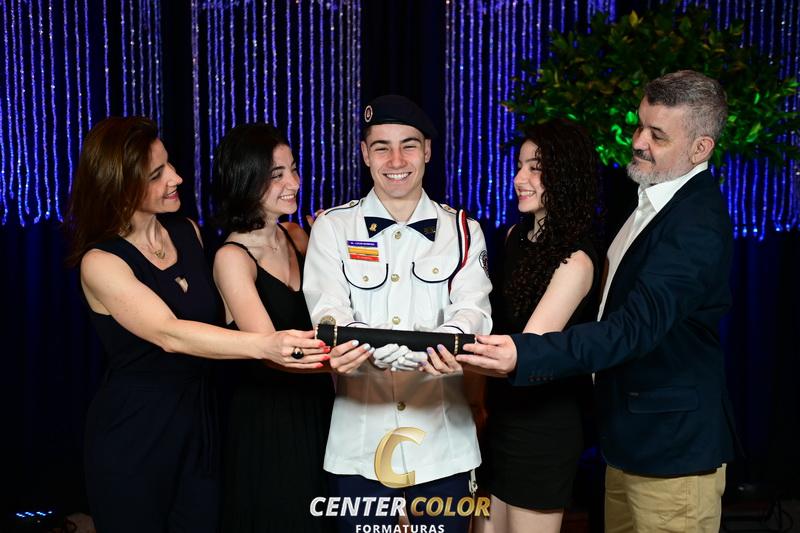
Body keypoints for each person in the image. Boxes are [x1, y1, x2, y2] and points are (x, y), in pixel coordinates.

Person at [459, 70, 737, 532]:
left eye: (657, 135)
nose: (638, 142)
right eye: (640, 126)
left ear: (700, 148)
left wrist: (524, 353)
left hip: (671, 450)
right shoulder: (648, 200)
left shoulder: (695, 222)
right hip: (627, 442)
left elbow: (633, 330)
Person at [65, 116, 330, 533]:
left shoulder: (187, 231)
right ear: (122, 186)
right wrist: (264, 345)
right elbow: (169, 333)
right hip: (137, 431)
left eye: (169, 164)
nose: (177, 177)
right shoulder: (101, 262)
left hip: (202, 424)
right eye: (157, 174)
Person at [303, 94, 492, 533]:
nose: (396, 160)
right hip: (359, 447)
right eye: (382, 147)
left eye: (408, 145)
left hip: (443, 446)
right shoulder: (333, 227)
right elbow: (328, 309)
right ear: (364, 153)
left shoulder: (464, 231)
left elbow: (473, 310)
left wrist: (437, 347)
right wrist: (365, 347)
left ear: (427, 151)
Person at [210, 122, 371, 533]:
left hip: (318, 404)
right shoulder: (232, 258)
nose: (294, 183)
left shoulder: (296, 235)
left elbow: (339, 304)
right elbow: (273, 353)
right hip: (269, 418)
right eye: (277, 175)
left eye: (294, 170)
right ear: (246, 180)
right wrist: (355, 362)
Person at [471, 119, 601, 533]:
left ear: (565, 176)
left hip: (544, 428)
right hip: (500, 417)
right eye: (520, 166)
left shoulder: (576, 260)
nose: (519, 179)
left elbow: (526, 352)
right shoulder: (514, 236)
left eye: (535, 168)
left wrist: (445, 358)